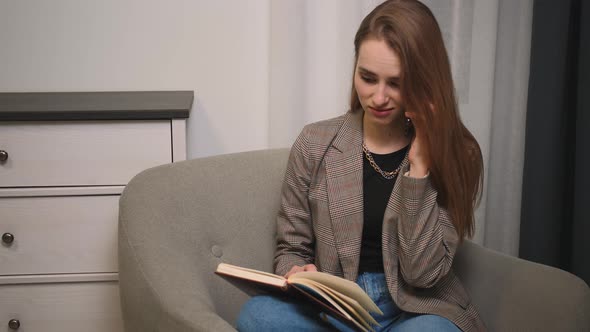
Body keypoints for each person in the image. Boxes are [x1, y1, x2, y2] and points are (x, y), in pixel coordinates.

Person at [237, 0, 486, 330]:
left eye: (395, 83)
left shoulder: (458, 153)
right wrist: (295, 272)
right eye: (368, 78)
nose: (378, 97)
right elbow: (291, 248)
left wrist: (420, 167)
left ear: (423, 80)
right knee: (257, 315)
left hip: (416, 311)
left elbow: (423, 274)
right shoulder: (315, 143)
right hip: (336, 310)